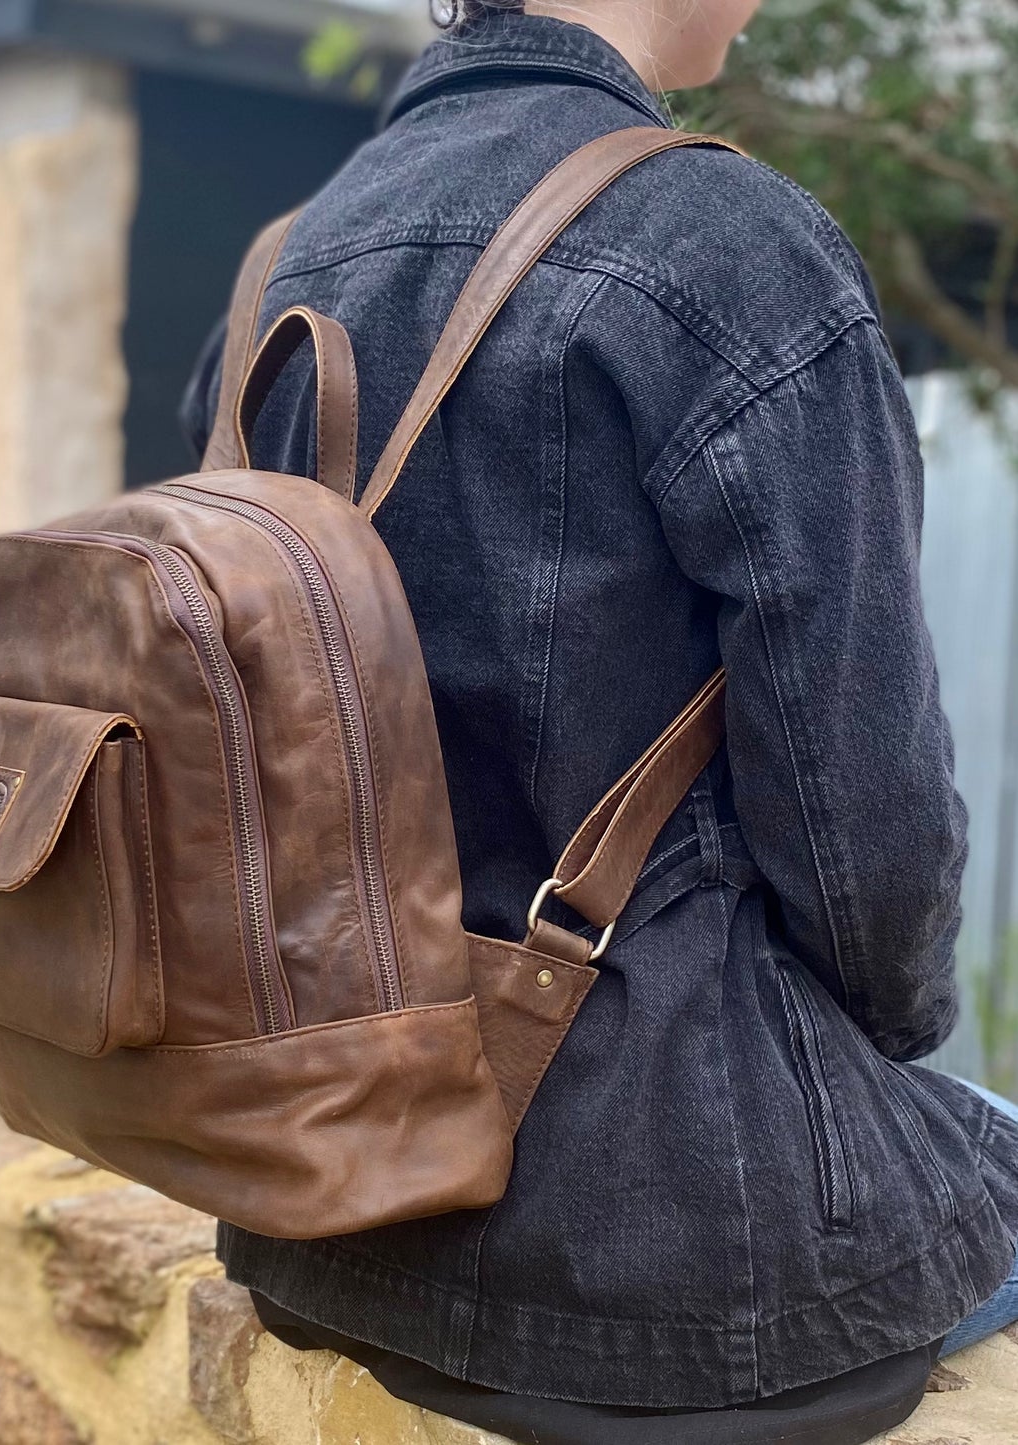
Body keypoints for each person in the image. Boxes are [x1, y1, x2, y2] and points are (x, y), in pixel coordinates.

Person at [180, 2, 1018, 1442]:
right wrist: (889, 1049)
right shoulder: (726, 245)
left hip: (317, 1209)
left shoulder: (278, 268)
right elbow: (866, 851)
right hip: (683, 1272)